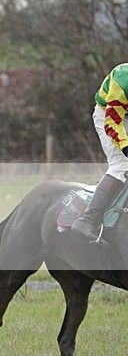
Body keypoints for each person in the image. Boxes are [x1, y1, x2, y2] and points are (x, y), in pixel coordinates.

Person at [71, 63, 128, 244]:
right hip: (109, 117)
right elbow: (113, 123)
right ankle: (87, 220)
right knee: (122, 164)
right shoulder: (123, 78)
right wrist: (125, 146)